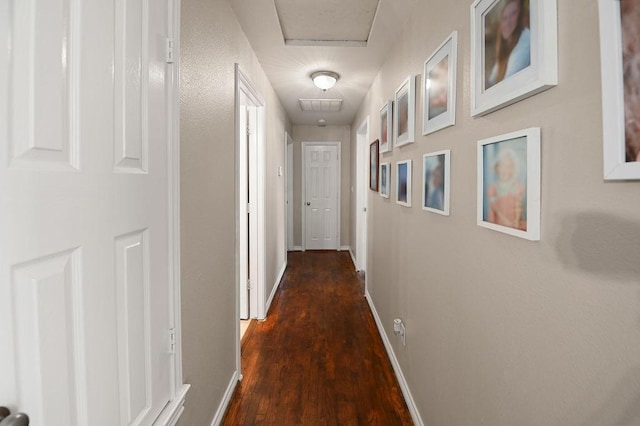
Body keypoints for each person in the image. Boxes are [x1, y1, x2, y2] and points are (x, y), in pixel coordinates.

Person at [487, 0, 531, 88]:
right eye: (504, 18)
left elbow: (509, 82)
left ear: (521, 15)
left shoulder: (526, 36)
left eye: (513, 13)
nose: (508, 22)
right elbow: (492, 81)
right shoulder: (506, 50)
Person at [487, 148, 526, 230]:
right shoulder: (493, 188)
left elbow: (518, 206)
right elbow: (494, 207)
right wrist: (505, 221)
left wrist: (515, 221)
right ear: (497, 168)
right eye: (502, 166)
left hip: (514, 223)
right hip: (499, 222)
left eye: (508, 167)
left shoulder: (518, 186)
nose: (504, 170)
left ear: (513, 169)